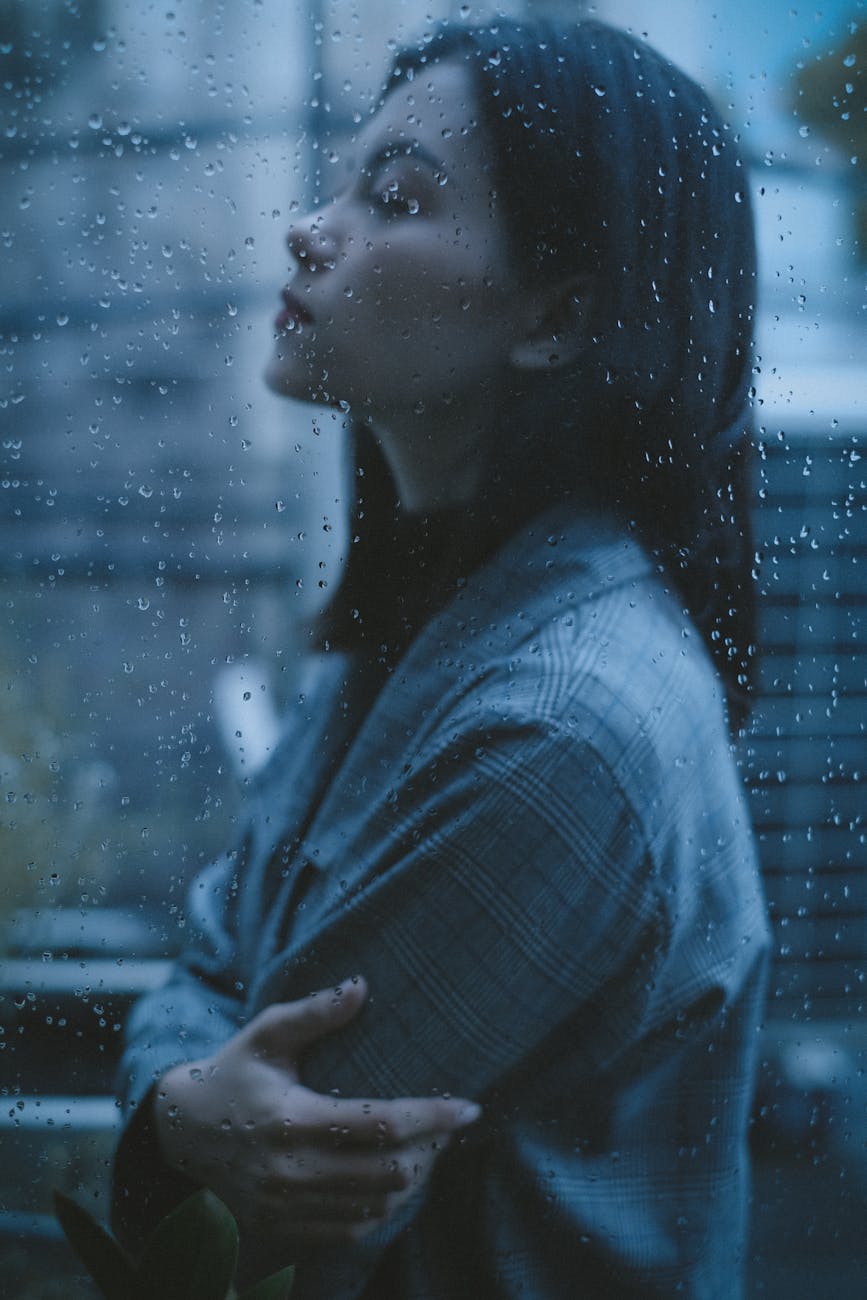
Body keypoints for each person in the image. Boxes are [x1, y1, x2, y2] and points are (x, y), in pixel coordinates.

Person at [112, 18, 771, 1299]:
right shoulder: (441, 610)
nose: (313, 227)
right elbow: (208, 976)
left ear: (561, 317)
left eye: (396, 198)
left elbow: (253, 1203)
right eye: (344, 180)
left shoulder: (559, 726)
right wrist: (189, 1099)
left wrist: (181, 1108)